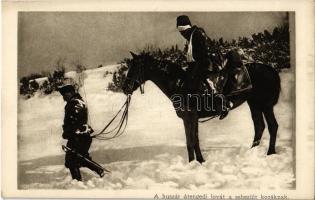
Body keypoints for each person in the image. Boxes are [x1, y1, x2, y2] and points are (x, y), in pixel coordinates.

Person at [176, 15, 231, 119]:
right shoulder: (191, 36)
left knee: (206, 81)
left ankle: (223, 105)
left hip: (211, 62)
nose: (182, 35)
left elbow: (203, 54)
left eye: (182, 32)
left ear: (185, 29)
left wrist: (194, 70)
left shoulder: (197, 34)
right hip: (203, 62)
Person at [58, 84, 104, 181]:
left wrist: (68, 131)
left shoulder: (75, 103)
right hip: (80, 135)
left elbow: (75, 121)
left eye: (64, 95)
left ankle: (77, 183)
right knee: (81, 158)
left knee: (71, 161)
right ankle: (99, 171)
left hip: (78, 136)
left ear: (70, 93)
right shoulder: (78, 101)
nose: (63, 98)